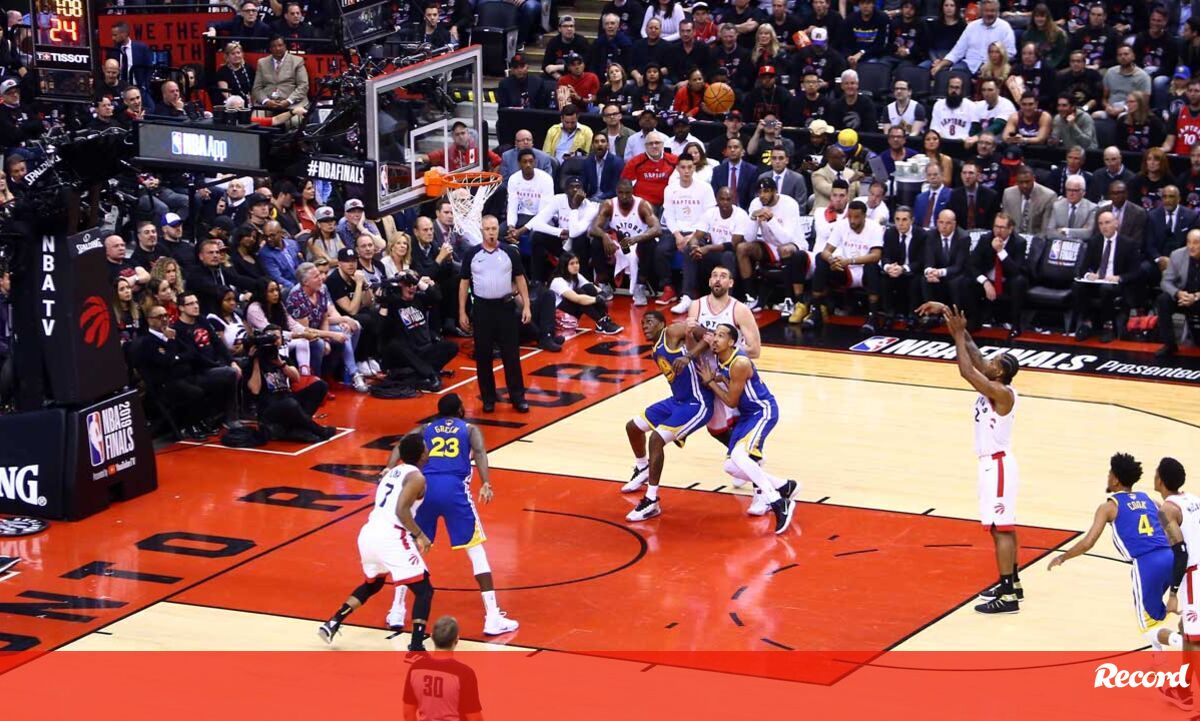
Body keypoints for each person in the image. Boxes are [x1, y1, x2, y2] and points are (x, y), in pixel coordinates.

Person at [382, 394, 520, 637]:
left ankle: (397, 610)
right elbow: (480, 453)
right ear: (459, 410)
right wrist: (486, 482)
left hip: (424, 489)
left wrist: (388, 467)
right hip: (454, 491)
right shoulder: (469, 429)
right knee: (476, 550)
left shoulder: (426, 428)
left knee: (411, 550)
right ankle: (492, 617)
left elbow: (401, 444)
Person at [918, 303, 1022, 614]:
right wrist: (954, 324)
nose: (987, 362)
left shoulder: (1002, 393)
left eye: (993, 361)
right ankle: (1012, 583)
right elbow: (974, 356)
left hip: (998, 465)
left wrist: (957, 338)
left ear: (999, 372)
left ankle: (1008, 597)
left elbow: (966, 370)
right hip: (991, 464)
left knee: (1002, 528)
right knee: (1001, 526)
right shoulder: (995, 384)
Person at [1048, 453, 1180, 653]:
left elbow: (1088, 542)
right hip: (1172, 557)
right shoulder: (1151, 501)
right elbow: (1171, 529)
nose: (1108, 477)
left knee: (1147, 627)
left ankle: (1182, 642)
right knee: (1157, 612)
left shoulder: (1109, 507)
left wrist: (1063, 556)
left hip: (1147, 564)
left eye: (1110, 473)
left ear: (1116, 479)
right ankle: (1158, 660)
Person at [319, 434, 435, 652]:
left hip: (369, 533)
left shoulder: (391, 471)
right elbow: (401, 510)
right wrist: (420, 535)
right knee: (424, 590)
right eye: (426, 447)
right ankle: (416, 645)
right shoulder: (417, 478)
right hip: (391, 536)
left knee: (374, 584)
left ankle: (333, 621)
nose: (428, 450)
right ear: (421, 454)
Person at [697, 324, 797, 534]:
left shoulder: (740, 362)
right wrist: (719, 378)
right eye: (715, 335)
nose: (715, 339)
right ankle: (784, 486)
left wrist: (711, 382)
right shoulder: (720, 357)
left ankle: (778, 502)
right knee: (731, 467)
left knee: (739, 455)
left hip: (762, 411)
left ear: (732, 342)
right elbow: (733, 384)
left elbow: (731, 401)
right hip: (747, 416)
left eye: (721, 336)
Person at [623, 311, 713, 519]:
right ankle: (642, 467)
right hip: (677, 401)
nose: (645, 326)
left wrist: (689, 355)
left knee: (656, 439)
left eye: (650, 322)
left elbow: (708, 336)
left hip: (697, 402)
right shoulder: (656, 348)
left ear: (662, 323)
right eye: (643, 323)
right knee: (633, 427)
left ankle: (652, 500)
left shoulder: (672, 331)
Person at [459, 216, 531, 414]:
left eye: (494, 228)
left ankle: (518, 397)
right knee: (483, 356)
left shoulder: (510, 252)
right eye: (487, 229)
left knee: (511, 355)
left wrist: (526, 306)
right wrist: (462, 311)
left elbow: (520, 279)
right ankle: (488, 399)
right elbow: (464, 283)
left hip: (505, 307)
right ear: (481, 230)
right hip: (482, 309)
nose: (491, 232)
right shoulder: (472, 254)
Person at [1155, 457, 1200, 706]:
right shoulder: (1193, 499)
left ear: (1160, 480)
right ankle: (1183, 690)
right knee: (1187, 632)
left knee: (1195, 641)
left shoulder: (1166, 511)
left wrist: (1173, 593)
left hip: (1193, 577)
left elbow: (1181, 552)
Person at [803, 200, 884, 332]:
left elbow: (876, 255)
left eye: (856, 217)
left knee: (872, 266)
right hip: (847, 272)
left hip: (865, 272)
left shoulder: (874, 227)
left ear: (864, 216)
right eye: (850, 216)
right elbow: (826, 251)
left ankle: (873, 317)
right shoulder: (842, 225)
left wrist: (850, 261)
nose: (852, 220)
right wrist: (832, 261)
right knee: (820, 259)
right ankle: (816, 311)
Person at [246, 325, 334, 442]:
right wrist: (255, 361)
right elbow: (255, 390)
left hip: (288, 399)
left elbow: (296, 378)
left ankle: (296, 428)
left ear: (281, 340)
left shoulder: (282, 358)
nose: (274, 342)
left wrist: (281, 364)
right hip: (268, 407)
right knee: (289, 403)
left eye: (276, 338)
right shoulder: (252, 362)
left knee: (321, 386)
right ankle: (317, 430)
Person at [1072, 210, 1143, 343]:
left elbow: (1136, 272)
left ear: (1116, 223)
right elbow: (1082, 268)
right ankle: (1086, 323)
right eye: (1101, 224)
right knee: (1078, 286)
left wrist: (1119, 277)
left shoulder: (1128, 244)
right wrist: (1089, 275)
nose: (1104, 227)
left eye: (1107, 222)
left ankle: (1108, 326)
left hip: (1117, 284)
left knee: (1106, 288)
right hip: (1097, 282)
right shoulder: (1094, 242)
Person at [588, 178, 661, 304]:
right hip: (619, 244)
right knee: (596, 242)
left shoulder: (642, 205)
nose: (624, 196)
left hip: (637, 243)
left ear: (632, 191)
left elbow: (657, 229)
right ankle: (604, 284)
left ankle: (640, 286)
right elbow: (593, 228)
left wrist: (637, 238)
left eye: (627, 193)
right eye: (621, 193)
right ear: (616, 192)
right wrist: (605, 236)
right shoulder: (609, 204)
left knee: (649, 243)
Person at [738, 176, 804, 312]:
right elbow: (749, 238)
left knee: (784, 249)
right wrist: (753, 218)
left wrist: (770, 219)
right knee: (742, 248)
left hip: (794, 244)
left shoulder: (789, 204)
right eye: (760, 192)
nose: (762, 195)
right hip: (770, 245)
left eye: (766, 191)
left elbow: (786, 239)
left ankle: (789, 300)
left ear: (775, 191)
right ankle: (751, 296)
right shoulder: (756, 203)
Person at [958, 212, 1028, 337]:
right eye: (996, 226)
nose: (998, 231)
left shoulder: (1019, 242)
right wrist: (984, 282)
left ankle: (1016, 326)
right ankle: (974, 321)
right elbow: (972, 264)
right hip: (988, 280)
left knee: (1019, 282)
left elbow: (1015, 270)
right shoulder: (986, 239)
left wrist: (1000, 251)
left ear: (1010, 229)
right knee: (965, 281)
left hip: (1007, 281)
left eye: (1002, 227)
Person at [402, 617, 484, 721]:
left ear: (432, 637)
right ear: (456, 640)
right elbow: (475, 718)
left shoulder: (416, 668)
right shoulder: (464, 673)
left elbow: (408, 714)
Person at [928, 0, 1015, 76]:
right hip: (970, 65)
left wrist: (991, 65)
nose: (989, 14)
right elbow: (957, 52)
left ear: (998, 12)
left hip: (994, 67)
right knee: (954, 73)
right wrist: (940, 65)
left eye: (992, 11)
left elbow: (1010, 53)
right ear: (980, 12)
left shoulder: (1005, 27)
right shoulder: (972, 26)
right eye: (986, 10)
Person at [547, 252, 623, 335]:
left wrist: (601, 294)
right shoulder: (557, 281)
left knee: (588, 288)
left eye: (577, 263)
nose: (576, 266)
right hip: (557, 314)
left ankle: (604, 320)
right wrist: (597, 299)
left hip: (570, 309)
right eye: (572, 264)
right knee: (579, 292)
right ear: (564, 266)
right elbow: (576, 298)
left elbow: (591, 287)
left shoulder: (576, 275)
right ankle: (600, 322)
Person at [1154, 229, 1200, 358]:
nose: (1191, 246)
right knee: (1163, 299)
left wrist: (1195, 296)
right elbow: (1166, 281)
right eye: (1189, 242)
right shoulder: (1177, 255)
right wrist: (1178, 293)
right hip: (1182, 297)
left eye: (1195, 243)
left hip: (1198, 298)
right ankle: (1169, 345)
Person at [880, 206, 924, 327]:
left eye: (904, 219)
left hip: (912, 270)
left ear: (912, 220)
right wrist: (888, 267)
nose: (900, 223)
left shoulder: (921, 234)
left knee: (916, 280)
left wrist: (903, 268)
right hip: (894, 270)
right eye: (897, 219)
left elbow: (921, 261)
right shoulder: (890, 233)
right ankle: (889, 315)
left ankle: (913, 316)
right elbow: (885, 255)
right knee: (885, 278)